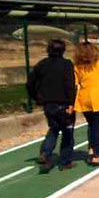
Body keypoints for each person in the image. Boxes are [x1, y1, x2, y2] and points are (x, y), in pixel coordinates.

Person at [26, 39, 77, 172]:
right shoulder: (66, 64)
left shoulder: (42, 65)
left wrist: (37, 98)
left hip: (48, 103)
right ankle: (65, 162)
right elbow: (70, 85)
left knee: (54, 129)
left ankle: (46, 153)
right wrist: (72, 103)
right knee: (67, 133)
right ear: (63, 50)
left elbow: (30, 83)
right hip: (64, 103)